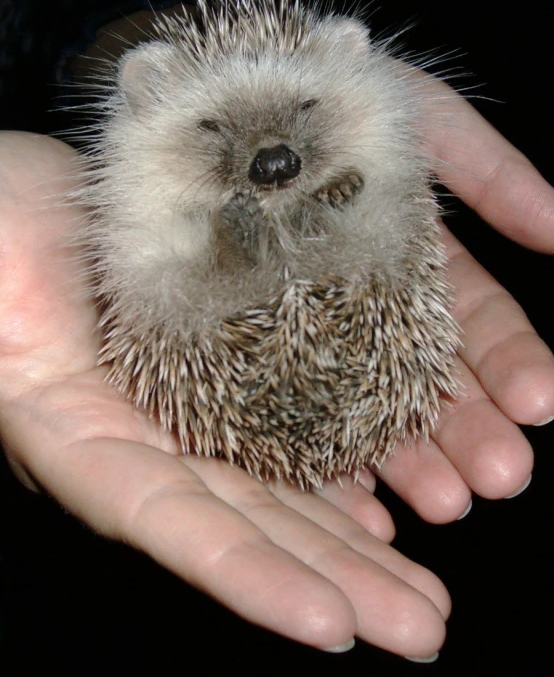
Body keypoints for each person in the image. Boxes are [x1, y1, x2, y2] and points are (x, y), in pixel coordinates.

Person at [1, 69, 553, 661]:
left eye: (307, 108)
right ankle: (250, 253)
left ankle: (246, 253)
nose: (271, 154)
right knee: (171, 271)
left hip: (289, 269)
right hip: (215, 292)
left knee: (358, 240)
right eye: (212, 127)